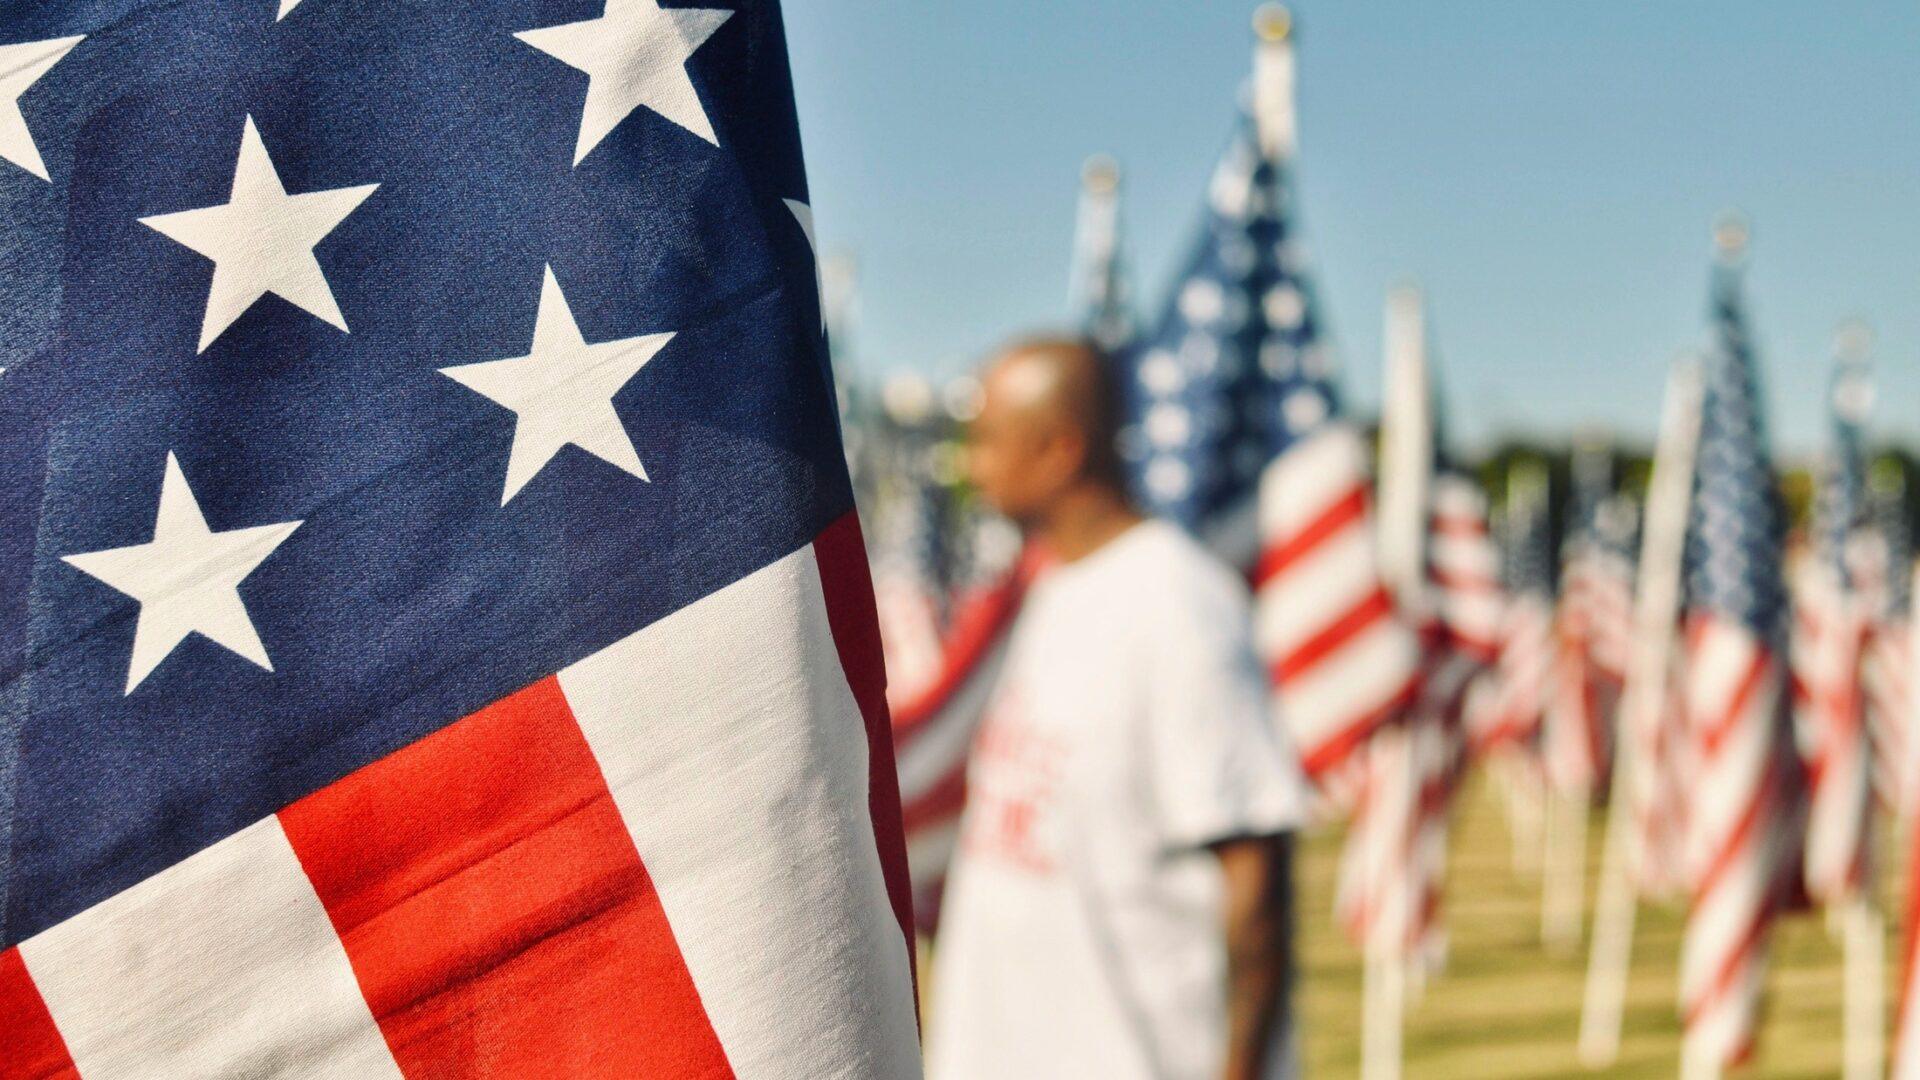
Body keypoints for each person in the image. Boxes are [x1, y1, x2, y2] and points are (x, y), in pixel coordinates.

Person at [926, 336, 1310, 1080]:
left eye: (989, 441)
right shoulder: (1050, 588)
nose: (973, 465)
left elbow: (1256, 880)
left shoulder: (1176, 603)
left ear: (1059, 449)